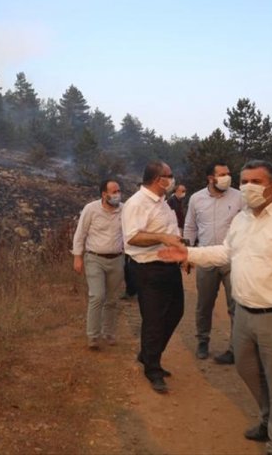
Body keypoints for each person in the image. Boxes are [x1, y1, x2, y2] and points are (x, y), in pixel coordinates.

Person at [159, 160, 272, 455]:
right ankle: (269, 419)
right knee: (247, 369)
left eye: (256, 181)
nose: (249, 186)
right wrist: (188, 252)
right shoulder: (242, 219)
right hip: (244, 313)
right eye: (246, 180)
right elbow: (227, 252)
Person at [121, 161, 184, 394]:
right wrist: (162, 238)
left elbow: (171, 234)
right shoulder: (136, 203)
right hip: (148, 269)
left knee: (176, 312)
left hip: (169, 265)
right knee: (154, 320)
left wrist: (181, 254)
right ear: (159, 179)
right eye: (170, 176)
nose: (172, 179)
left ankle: (148, 354)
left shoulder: (162, 203)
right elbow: (132, 237)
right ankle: (153, 369)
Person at [183, 161, 242, 364]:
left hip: (232, 259)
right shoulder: (196, 199)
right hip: (206, 258)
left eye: (228, 173)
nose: (228, 177)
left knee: (235, 306)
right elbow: (190, 227)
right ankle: (202, 341)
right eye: (223, 174)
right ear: (211, 178)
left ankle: (235, 348)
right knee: (204, 305)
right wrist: (188, 254)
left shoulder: (239, 197)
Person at [71, 179, 124, 350]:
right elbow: (81, 233)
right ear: (104, 194)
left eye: (118, 191)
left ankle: (108, 332)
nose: (117, 194)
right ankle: (93, 336)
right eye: (114, 191)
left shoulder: (124, 210)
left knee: (112, 299)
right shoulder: (91, 209)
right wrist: (77, 257)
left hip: (117, 259)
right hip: (94, 258)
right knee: (97, 296)